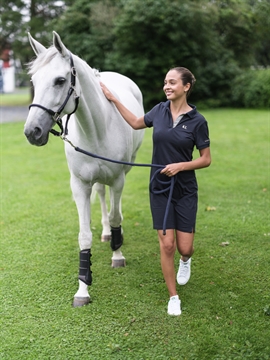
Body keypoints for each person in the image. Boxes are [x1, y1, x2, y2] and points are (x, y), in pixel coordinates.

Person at [100, 67, 211, 316]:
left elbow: (206, 159)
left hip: (185, 189)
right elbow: (136, 123)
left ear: (186, 87)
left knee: (184, 248)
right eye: (165, 82)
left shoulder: (198, 121)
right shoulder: (159, 111)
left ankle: (186, 261)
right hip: (159, 187)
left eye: (172, 82)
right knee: (167, 244)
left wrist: (181, 166)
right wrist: (114, 98)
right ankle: (173, 296)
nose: (167, 86)